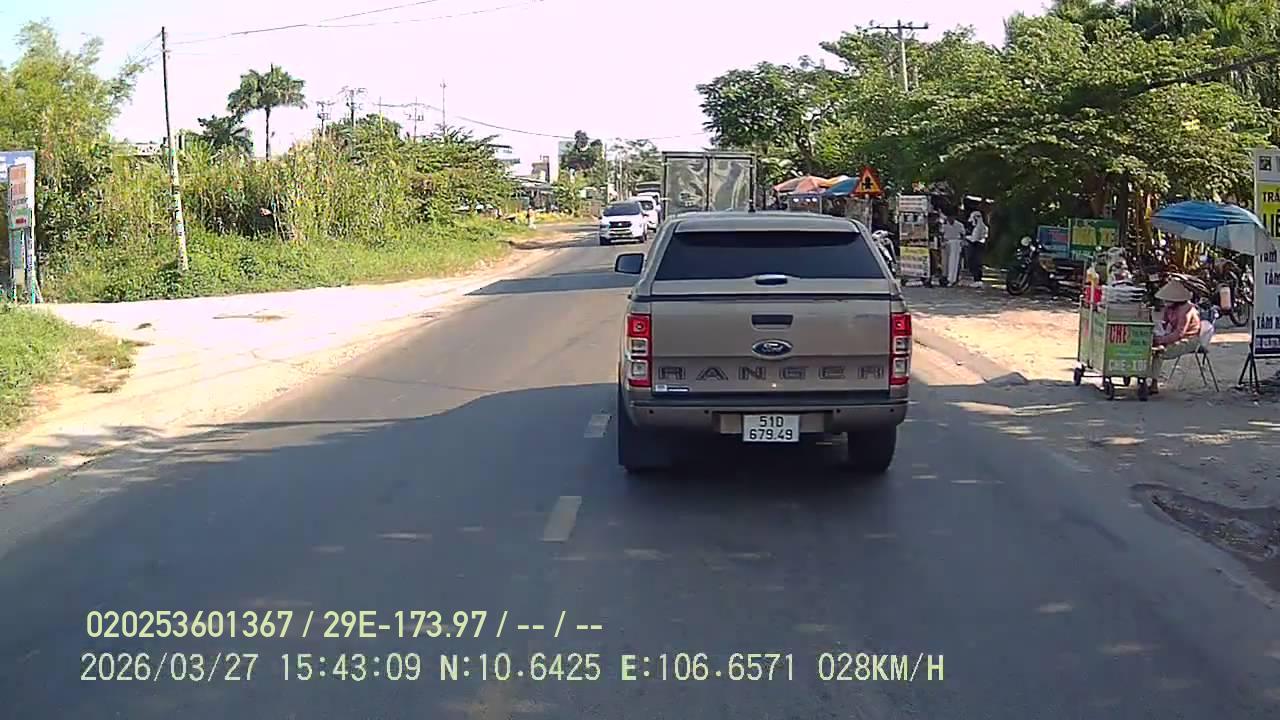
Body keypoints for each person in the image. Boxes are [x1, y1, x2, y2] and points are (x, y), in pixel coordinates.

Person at [1150, 279, 1203, 395]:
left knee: (1159, 352)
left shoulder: (1187, 310)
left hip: (1189, 340)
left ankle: (1154, 382)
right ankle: (1148, 378)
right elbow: (1164, 324)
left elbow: (1179, 333)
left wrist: (1161, 340)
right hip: (1173, 336)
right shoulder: (1169, 309)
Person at [940, 213, 965, 287]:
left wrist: (962, 243)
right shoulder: (944, 225)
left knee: (954, 261)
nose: (950, 219)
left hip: (956, 242)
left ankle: (952, 279)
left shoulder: (959, 225)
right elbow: (941, 234)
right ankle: (945, 277)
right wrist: (942, 242)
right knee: (945, 262)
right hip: (946, 242)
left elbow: (963, 234)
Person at [966, 207, 988, 286]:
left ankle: (977, 280)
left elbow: (974, 239)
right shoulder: (981, 226)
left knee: (976, 263)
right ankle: (976, 279)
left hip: (977, 245)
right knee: (975, 263)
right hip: (978, 245)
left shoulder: (980, 227)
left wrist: (965, 237)